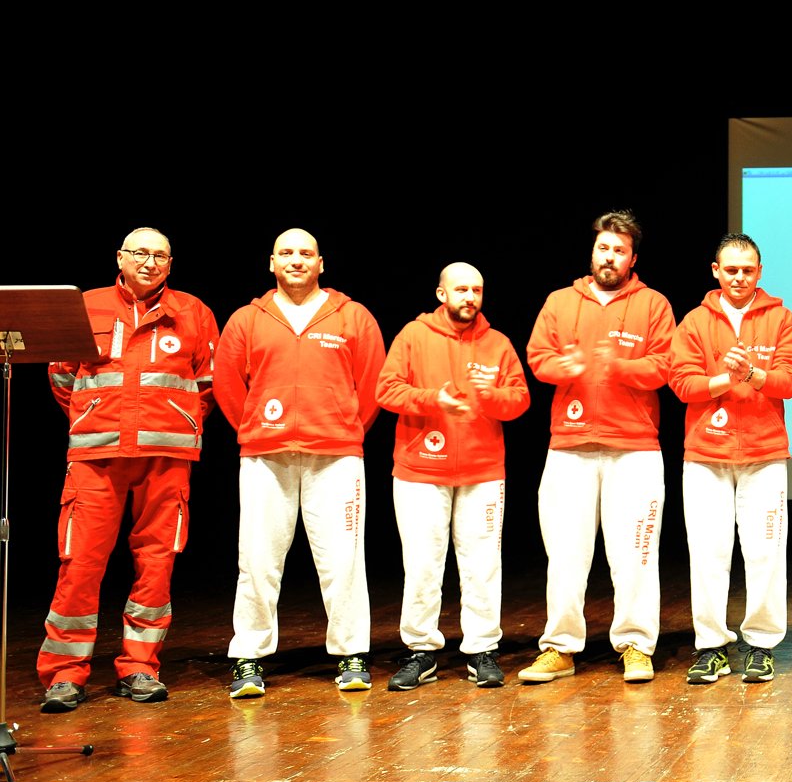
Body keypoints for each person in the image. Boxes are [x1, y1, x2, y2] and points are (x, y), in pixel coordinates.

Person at [37, 228, 219, 712]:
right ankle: (64, 673)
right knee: (80, 562)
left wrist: (175, 422)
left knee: (157, 563)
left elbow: (207, 382)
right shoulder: (87, 305)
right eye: (140, 252)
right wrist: (95, 417)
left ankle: (140, 666)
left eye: (160, 255)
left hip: (166, 456)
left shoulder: (193, 311)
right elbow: (61, 375)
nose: (149, 261)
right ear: (119, 257)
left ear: (170, 264)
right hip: (97, 455)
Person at [215, 228, 387, 696]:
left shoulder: (353, 316)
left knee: (343, 559)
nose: (296, 260)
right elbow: (227, 384)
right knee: (257, 558)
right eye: (286, 253)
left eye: (306, 253)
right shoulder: (247, 319)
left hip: (336, 457)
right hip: (265, 456)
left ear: (321, 263)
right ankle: (248, 657)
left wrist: (344, 429)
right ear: (271, 262)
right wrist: (256, 427)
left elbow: (373, 383)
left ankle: (352, 653)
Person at [521, 210, 676, 684]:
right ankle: (560, 647)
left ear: (633, 259)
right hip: (570, 446)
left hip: (634, 447)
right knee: (565, 554)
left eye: (619, 250)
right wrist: (562, 368)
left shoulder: (653, 304)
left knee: (635, 555)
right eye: (603, 248)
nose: (610, 257)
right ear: (593, 252)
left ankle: (636, 645)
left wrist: (619, 366)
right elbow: (538, 357)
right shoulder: (560, 301)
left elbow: (666, 365)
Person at [374, 262, 529, 691]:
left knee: (482, 564)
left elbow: (519, 399)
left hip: (482, 470)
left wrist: (490, 395)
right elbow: (386, 389)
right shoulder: (413, 335)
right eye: (461, 289)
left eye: (477, 290)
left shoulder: (497, 343)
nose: (470, 297)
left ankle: (482, 649)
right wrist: (433, 399)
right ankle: (421, 650)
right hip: (421, 468)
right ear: (441, 294)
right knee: (422, 563)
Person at [668, 234, 792, 684]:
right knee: (708, 554)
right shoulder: (695, 321)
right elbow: (682, 385)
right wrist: (728, 377)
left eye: (747, 270)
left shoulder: (781, 318)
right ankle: (711, 647)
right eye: (731, 270)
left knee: (765, 554)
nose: (739, 278)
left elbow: (791, 381)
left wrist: (754, 374)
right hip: (706, 454)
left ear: (759, 271)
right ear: (715, 271)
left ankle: (761, 645)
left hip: (764, 453)